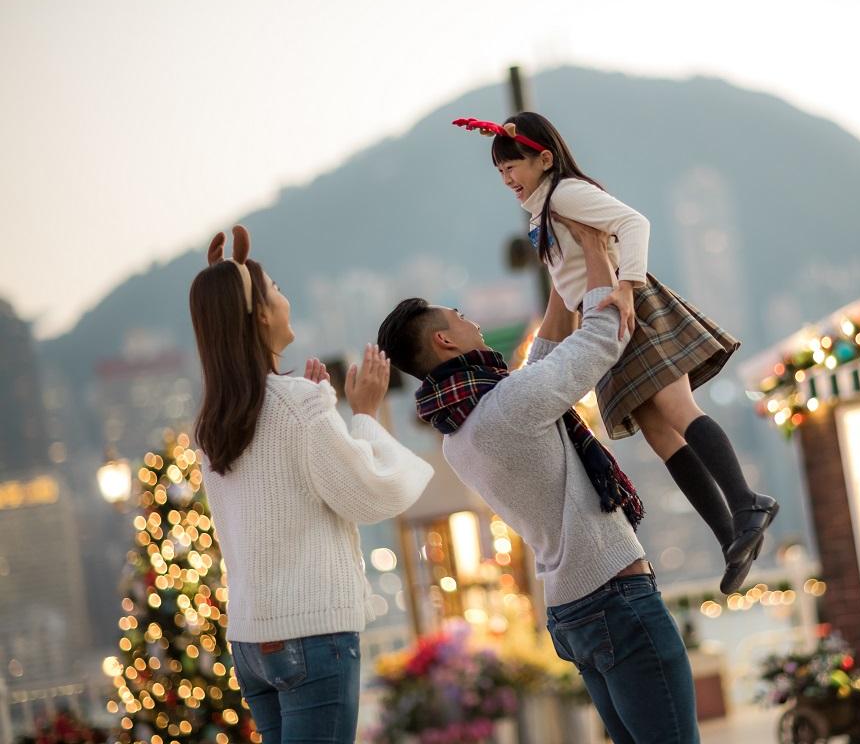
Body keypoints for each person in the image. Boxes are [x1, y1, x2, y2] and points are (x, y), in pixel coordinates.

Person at [377, 218, 699, 743]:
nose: (470, 318)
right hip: (616, 599)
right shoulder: (505, 407)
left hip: (575, 610)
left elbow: (539, 371)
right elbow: (601, 339)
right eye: (458, 316)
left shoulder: (461, 431)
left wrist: (563, 281)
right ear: (444, 340)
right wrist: (595, 248)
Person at [451, 112, 777, 593]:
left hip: (625, 308)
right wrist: (538, 364)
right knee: (659, 433)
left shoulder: (564, 193)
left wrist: (627, 287)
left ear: (544, 159)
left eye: (513, 167)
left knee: (676, 410)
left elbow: (633, 222)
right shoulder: (541, 217)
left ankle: (747, 503)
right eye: (500, 173)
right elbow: (564, 293)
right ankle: (730, 535)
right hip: (604, 320)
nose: (508, 180)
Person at [189, 225, 433, 744]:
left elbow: (286, 487)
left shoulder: (213, 422)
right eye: (275, 289)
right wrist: (363, 415)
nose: (285, 298)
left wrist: (323, 418)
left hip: (254, 642)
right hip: (311, 634)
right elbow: (372, 493)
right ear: (259, 315)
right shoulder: (297, 405)